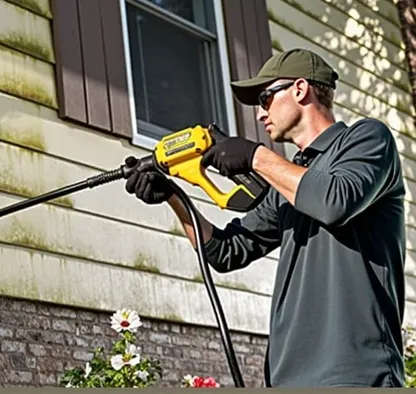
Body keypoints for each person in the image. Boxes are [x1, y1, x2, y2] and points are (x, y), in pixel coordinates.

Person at [124, 48, 406, 387]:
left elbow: (336, 201)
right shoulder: (288, 180)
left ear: (300, 89)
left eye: (265, 97)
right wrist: (172, 196)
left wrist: (256, 158)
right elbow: (227, 251)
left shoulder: (367, 140)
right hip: (287, 378)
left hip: (358, 373)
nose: (260, 114)